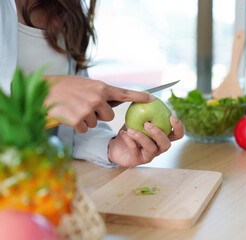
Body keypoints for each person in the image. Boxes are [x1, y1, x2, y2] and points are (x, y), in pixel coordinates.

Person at [0, 0, 184, 167]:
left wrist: (111, 147)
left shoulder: (68, 8)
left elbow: (69, 130)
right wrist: (40, 91)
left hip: (39, 180)